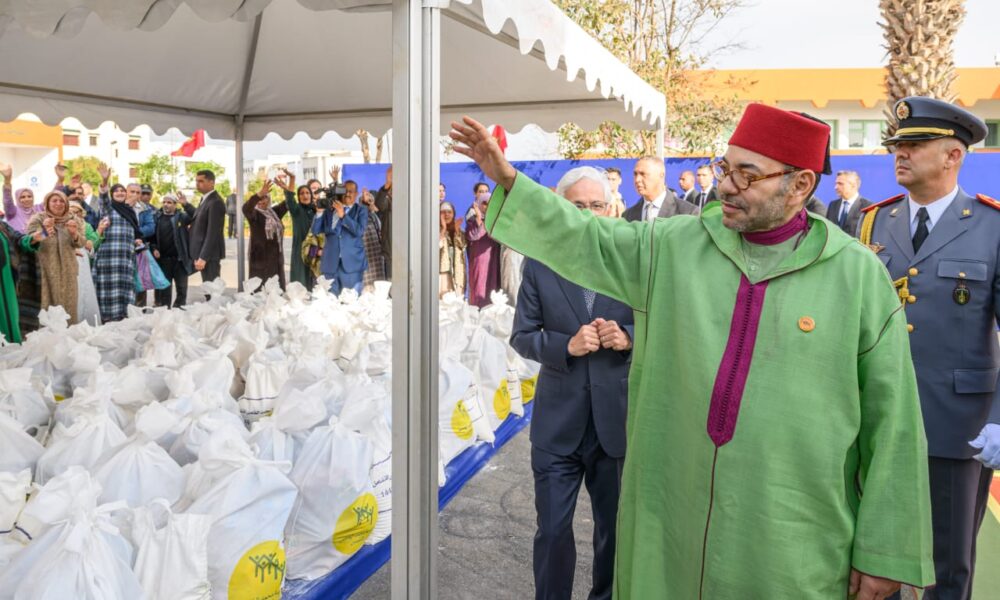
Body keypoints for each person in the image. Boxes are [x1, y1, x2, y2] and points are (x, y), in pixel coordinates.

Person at [450, 107, 935, 599]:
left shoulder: (855, 277)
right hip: (675, 525)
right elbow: (587, 237)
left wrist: (883, 551)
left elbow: (892, 422)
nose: (727, 186)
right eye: (726, 169)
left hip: (791, 536)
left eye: (748, 175)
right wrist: (508, 178)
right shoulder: (675, 246)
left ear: (801, 184)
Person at [859, 96, 1000, 600]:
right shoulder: (874, 223)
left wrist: (999, 419)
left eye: (915, 145)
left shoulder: (991, 226)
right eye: (897, 145)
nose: (901, 154)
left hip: (959, 423)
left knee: (948, 563)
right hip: (880, 419)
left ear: (952, 156)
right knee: (876, 554)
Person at [510, 166, 632, 600]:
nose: (587, 213)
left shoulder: (629, 261)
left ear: (609, 208)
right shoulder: (539, 264)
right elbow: (522, 336)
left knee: (614, 533)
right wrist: (566, 346)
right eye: (577, 205)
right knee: (554, 532)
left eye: (596, 205)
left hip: (614, 425)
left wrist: (629, 339)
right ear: (561, 208)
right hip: (557, 426)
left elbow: (662, 327)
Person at [25, 190, 85, 324]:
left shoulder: (73, 219)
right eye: (54, 201)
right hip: (45, 268)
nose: (58, 204)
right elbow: (29, 239)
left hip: (68, 269)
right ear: (47, 203)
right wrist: (44, 231)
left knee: (69, 303)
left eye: (62, 201)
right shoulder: (39, 218)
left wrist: (74, 234)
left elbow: (81, 243)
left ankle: (68, 337)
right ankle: (48, 338)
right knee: (47, 303)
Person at [93, 163, 142, 323]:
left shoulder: (130, 211)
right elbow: (103, 199)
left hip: (125, 259)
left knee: (124, 289)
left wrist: (137, 239)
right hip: (109, 259)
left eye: (123, 190)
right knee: (109, 290)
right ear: (112, 194)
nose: (120, 193)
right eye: (117, 191)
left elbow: (134, 231)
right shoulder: (108, 209)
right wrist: (104, 181)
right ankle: (107, 319)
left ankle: (124, 319)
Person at [312, 179, 368, 295]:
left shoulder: (361, 210)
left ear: (356, 194)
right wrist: (319, 213)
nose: (347, 194)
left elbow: (360, 231)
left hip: (352, 266)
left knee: (351, 304)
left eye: (351, 191)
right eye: (345, 191)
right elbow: (316, 230)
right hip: (330, 264)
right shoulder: (329, 210)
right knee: (331, 303)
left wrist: (343, 216)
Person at [0, 206, 42, 342]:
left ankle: (11, 353)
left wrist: (33, 239)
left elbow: (19, 240)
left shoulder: (3, 226)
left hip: (6, 281)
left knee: (9, 316)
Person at [275, 169, 317, 290]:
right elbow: (289, 197)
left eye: (307, 193)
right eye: (302, 193)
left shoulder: (316, 210)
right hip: (300, 250)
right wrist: (292, 179)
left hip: (315, 249)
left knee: (314, 281)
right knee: (300, 281)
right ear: (298, 196)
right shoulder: (296, 210)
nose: (305, 195)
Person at [151, 192, 195, 308]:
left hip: (180, 260)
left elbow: (195, 215)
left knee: (181, 289)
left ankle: (178, 312)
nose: (166, 204)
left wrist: (186, 204)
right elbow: (152, 237)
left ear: (175, 205)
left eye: (169, 202)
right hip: (164, 260)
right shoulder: (157, 217)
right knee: (165, 290)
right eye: (164, 202)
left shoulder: (182, 217)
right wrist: (154, 248)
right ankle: (166, 313)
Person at [243, 179, 288, 291]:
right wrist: (259, 194)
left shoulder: (274, 213)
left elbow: (287, 203)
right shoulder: (254, 214)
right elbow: (245, 208)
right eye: (260, 199)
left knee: (276, 290)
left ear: (269, 200)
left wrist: (286, 187)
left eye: (265, 198)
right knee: (259, 291)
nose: (261, 201)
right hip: (260, 258)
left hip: (275, 258)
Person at [622, 157, 698, 222]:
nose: (637, 179)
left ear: (661, 175)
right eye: (635, 174)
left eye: (643, 174)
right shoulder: (628, 215)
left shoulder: (688, 212)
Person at [188, 169, 227, 294]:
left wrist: (203, 257)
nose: (197, 184)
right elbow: (198, 219)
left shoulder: (215, 202)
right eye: (196, 181)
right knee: (208, 289)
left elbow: (213, 232)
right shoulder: (206, 199)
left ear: (212, 182)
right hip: (203, 253)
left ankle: (216, 313)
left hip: (209, 255)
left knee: (212, 291)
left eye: (201, 181)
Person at [68, 198, 105, 325]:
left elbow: (93, 242)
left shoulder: (86, 226)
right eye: (71, 210)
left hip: (83, 260)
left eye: (77, 211)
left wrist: (97, 234)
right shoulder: (62, 224)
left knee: (84, 289)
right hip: (67, 259)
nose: (74, 213)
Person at [465, 191, 501, 308]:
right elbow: (474, 235)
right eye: (484, 203)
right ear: (479, 204)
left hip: (493, 258)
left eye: (491, 203)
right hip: (479, 258)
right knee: (479, 285)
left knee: (493, 286)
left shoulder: (496, 219)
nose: (487, 206)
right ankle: (477, 314)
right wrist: (480, 219)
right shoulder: (473, 219)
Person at [1, 163, 44, 233]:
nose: (26, 199)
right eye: (22, 197)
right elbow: (7, 200)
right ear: (17, 199)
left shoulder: (38, 208)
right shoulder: (12, 212)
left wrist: (60, 180)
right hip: (19, 243)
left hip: (39, 242)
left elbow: (53, 198)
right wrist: (7, 181)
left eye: (29, 196)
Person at [826, 170, 871, 235]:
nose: (836, 187)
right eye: (836, 183)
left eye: (840, 184)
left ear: (853, 186)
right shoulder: (833, 205)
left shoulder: (867, 206)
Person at [359, 186, 386, 291]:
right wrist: (365, 204)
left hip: (378, 257)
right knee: (368, 289)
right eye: (368, 201)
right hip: (366, 258)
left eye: (372, 200)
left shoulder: (375, 215)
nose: (371, 203)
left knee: (379, 288)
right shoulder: (360, 215)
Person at [439, 201, 466, 297]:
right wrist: (443, 229)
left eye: (449, 212)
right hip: (442, 270)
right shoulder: (434, 229)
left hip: (457, 270)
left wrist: (457, 230)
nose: (446, 214)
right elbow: (435, 248)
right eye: (443, 212)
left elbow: (463, 246)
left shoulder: (459, 229)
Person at [374, 165, 393, 272]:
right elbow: (380, 205)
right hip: (391, 251)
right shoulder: (387, 198)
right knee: (391, 284)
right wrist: (387, 184)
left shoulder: (412, 196)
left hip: (410, 249)